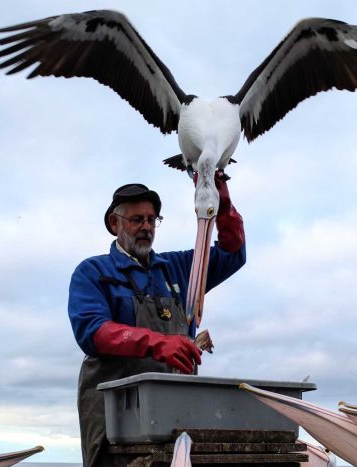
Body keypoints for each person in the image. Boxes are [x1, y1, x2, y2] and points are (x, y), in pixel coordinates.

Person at [68, 172, 246, 466]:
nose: (146, 227)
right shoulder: (93, 272)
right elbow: (92, 330)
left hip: (176, 419)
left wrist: (218, 196)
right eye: (137, 219)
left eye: (152, 220)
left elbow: (233, 251)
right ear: (115, 224)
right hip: (116, 428)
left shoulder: (178, 268)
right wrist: (156, 343)